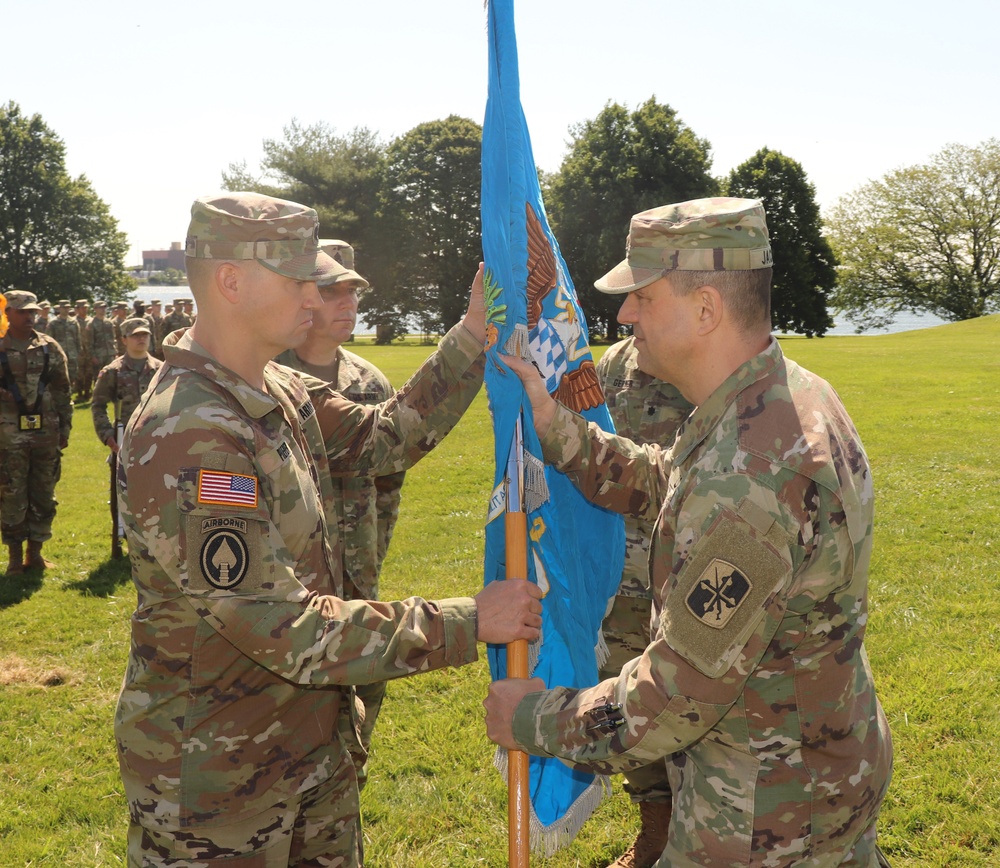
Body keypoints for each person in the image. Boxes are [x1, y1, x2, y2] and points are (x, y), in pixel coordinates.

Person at [115, 192, 543, 866]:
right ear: (230, 282)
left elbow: (384, 440)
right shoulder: (192, 432)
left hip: (308, 757)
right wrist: (468, 621)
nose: (313, 302)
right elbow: (285, 629)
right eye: (297, 282)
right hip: (223, 793)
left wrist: (468, 335)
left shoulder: (275, 387)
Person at [485, 197, 893, 866]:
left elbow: (672, 698)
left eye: (643, 297)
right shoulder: (775, 399)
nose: (623, 316)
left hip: (768, 821)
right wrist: (555, 426)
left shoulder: (753, 475)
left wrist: (534, 719)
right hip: (807, 778)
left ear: (706, 310)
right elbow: (664, 478)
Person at [274, 239, 402, 791]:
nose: (349, 303)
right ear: (302, 299)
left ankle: (350, 773)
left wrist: (369, 542)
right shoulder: (266, 375)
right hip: (287, 571)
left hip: (358, 561)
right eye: (334, 291)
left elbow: (391, 478)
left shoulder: (370, 382)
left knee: (363, 664)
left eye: (354, 292)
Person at [594, 336, 693, 868]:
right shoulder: (614, 362)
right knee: (626, 683)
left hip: (691, 563)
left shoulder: (707, 359)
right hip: (624, 568)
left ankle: (698, 824)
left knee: (692, 689)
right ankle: (655, 825)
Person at [0, 290, 72, 573]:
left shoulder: (49, 347)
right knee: (12, 493)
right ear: (8, 314)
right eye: (23, 312)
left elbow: (63, 391)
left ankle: (36, 553)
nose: (30, 317)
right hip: (7, 437)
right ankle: (15, 557)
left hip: (46, 434)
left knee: (44, 493)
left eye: (33, 312)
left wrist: (65, 428)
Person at [91, 317, 162, 452]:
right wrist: (107, 435)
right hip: (125, 440)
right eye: (135, 335)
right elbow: (98, 405)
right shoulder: (113, 371)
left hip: (157, 438)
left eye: (145, 334)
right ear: (124, 340)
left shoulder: (162, 370)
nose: (141, 339)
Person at [46, 298, 82, 394]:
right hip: (59, 355)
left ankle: (68, 395)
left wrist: (78, 352)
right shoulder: (53, 323)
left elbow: (78, 339)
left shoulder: (74, 322)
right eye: (64, 308)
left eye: (68, 307)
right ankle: (61, 396)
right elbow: (48, 340)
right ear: (60, 309)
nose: (66, 310)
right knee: (60, 377)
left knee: (72, 375)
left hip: (72, 354)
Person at [88, 301, 117, 374]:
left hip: (110, 355)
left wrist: (115, 352)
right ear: (95, 309)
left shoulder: (109, 323)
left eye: (104, 308)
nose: (103, 310)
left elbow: (113, 338)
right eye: (100, 308)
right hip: (99, 356)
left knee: (111, 376)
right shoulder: (91, 324)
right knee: (99, 377)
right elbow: (89, 342)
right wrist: (93, 356)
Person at [74, 298, 94, 401]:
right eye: (82, 308)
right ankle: (79, 393)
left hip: (89, 351)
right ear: (77, 309)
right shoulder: (73, 321)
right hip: (79, 352)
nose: (85, 310)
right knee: (79, 373)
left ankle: (87, 392)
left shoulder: (91, 321)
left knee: (89, 373)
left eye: (86, 308)